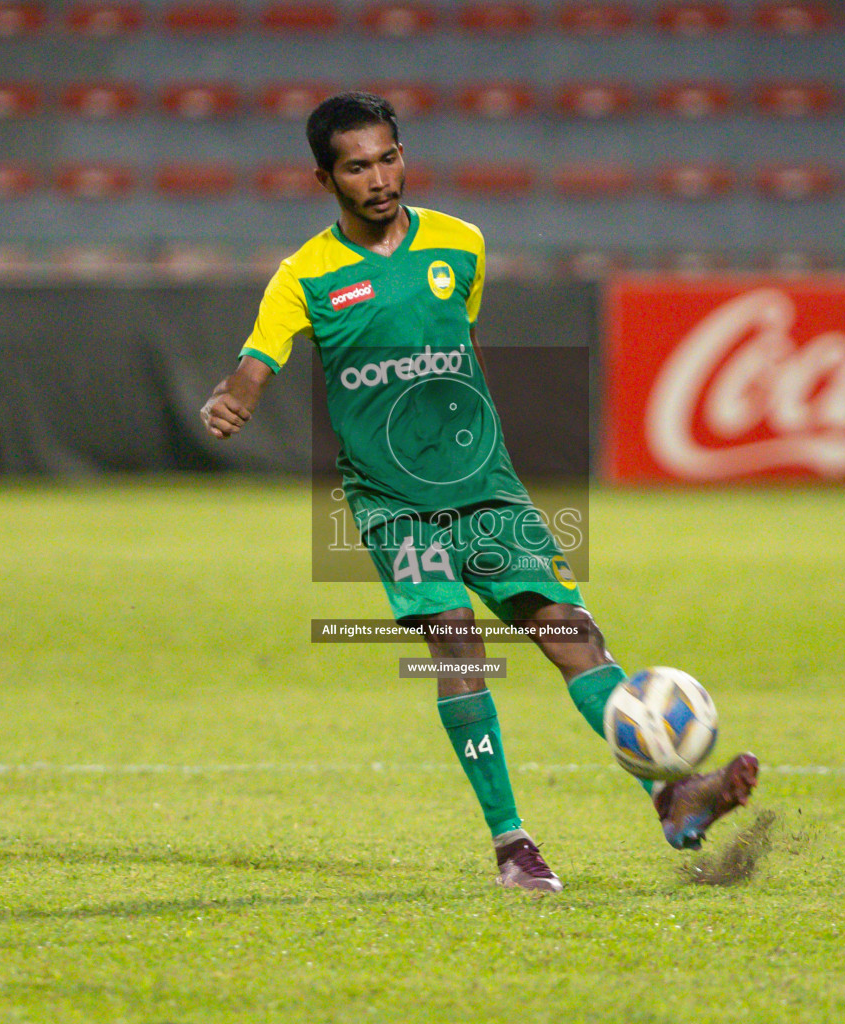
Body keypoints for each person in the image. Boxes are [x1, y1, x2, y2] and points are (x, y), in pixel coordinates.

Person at [200, 92, 758, 893]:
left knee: (571, 634)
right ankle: (512, 844)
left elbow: (456, 347)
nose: (380, 177)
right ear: (325, 178)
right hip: (394, 502)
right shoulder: (305, 276)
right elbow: (258, 360)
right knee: (458, 646)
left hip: (486, 490)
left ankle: (673, 796)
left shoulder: (460, 246)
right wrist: (237, 395)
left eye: (388, 156)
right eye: (357, 166)